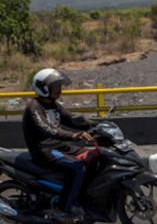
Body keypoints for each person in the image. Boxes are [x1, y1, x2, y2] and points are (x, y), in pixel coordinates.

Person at [23, 68, 99, 223]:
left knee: (94, 155)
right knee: (77, 168)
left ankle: (81, 198)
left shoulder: (54, 105)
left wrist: (97, 126)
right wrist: (73, 135)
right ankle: (61, 208)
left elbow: (72, 119)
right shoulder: (34, 107)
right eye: (56, 86)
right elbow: (47, 129)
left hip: (59, 146)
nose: (60, 90)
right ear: (43, 88)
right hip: (44, 150)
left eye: (59, 86)